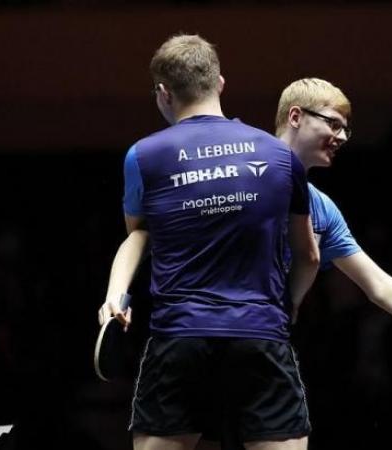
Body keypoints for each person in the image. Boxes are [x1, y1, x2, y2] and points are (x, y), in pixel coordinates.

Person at [103, 77, 392, 449]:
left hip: (259, 347)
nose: (343, 136)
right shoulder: (227, 175)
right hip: (192, 343)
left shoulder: (320, 208)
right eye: (333, 123)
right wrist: (117, 295)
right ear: (295, 116)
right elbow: (143, 236)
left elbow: (376, 284)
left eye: (346, 128)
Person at [98, 35, 320, 450]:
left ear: (163, 94)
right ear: (220, 83)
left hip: (179, 341)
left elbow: (139, 232)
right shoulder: (280, 156)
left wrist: (115, 296)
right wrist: (285, 309)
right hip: (262, 336)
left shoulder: (143, 156)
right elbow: (308, 255)